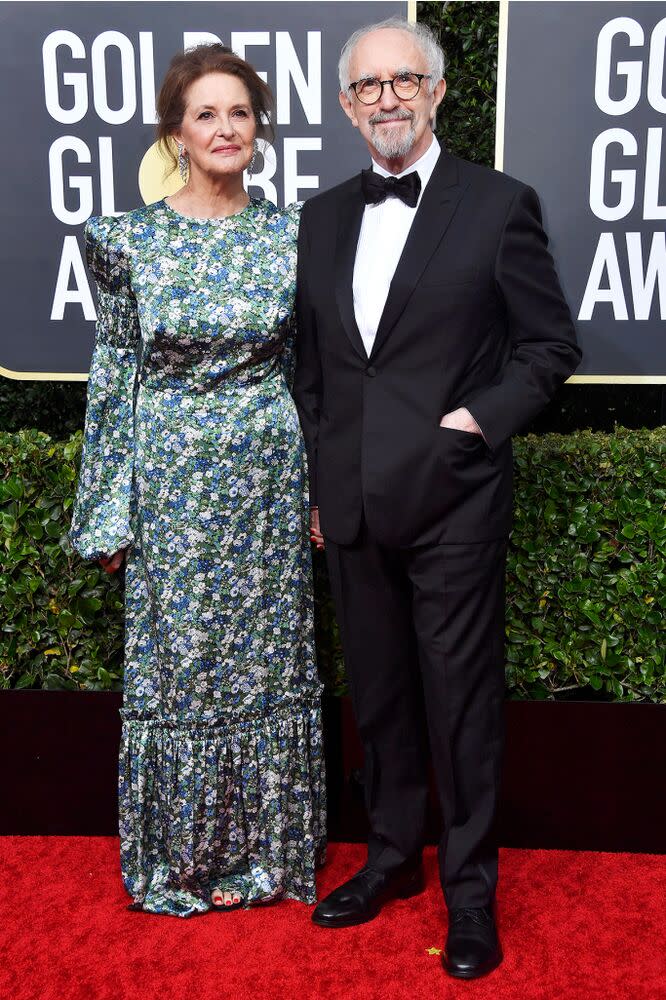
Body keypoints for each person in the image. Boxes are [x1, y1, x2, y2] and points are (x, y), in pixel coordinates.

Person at [293, 17, 581, 978]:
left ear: (438, 91)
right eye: (367, 87)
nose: (386, 99)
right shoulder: (323, 215)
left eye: (403, 81)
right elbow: (318, 370)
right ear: (344, 104)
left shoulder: (499, 206)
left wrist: (474, 424)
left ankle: (468, 894)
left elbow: (548, 350)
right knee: (377, 698)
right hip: (353, 505)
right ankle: (389, 860)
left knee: (459, 705)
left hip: (455, 500)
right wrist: (321, 481)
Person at [70, 43, 325, 918]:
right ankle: (179, 861)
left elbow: (313, 374)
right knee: (181, 669)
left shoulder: (296, 235)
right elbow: (114, 375)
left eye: (240, 112)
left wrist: (323, 490)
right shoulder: (123, 239)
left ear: (260, 128)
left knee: (266, 666)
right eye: (206, 113)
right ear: (176, 132)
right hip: (169, 482)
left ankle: (271, 854)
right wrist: (108, 512)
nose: (225, 128)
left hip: (266, 479)